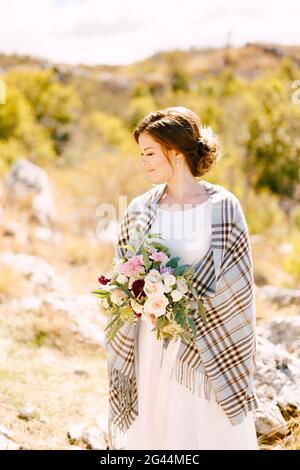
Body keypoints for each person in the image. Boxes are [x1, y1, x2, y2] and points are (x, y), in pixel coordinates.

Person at [105, 106, 260, 450]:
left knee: (199, 431)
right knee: (155, 432)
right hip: (151, 342)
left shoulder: (224, 207)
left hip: (205, 345)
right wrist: (136, 295)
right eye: (141, 154)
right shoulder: (139, 209)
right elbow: (123, 270)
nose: (143, 162)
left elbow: (237, 286)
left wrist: (184, 303)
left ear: (175, 153)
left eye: (149, 153)